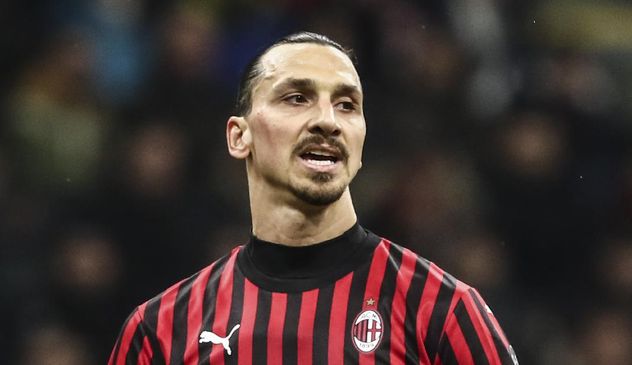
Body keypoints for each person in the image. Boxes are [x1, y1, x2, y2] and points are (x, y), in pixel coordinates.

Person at [109, 31, 518, 365]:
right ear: (239, 136)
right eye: (296, 98)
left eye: (346, 104)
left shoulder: (442, 310)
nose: (327, 120)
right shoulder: (161, 330)